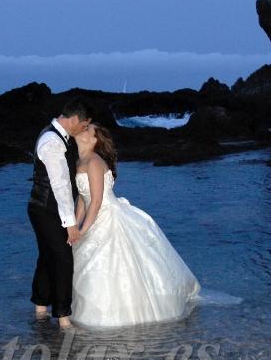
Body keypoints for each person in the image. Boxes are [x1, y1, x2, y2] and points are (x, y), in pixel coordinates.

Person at [70, 123, 202, 327]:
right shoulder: (80, 160)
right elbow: (82, 198)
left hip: (106, 216)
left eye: (88, 129)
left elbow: (96, 201)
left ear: (94, 140)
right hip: (93, 217)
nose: (83, 129)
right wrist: (73, 224)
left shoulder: (94, 162)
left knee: (113, 267)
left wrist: (82, 230)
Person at [28, 98, 93, 329]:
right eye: (84, 125)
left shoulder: (58, 136)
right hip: (48, 208)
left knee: (47, 255)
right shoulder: (51, 141)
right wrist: (70, 223)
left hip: (42, 207)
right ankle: (63, 317)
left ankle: (40, 307)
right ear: (74, 119)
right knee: (64, 259)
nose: (84, 129)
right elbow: (61, 185)